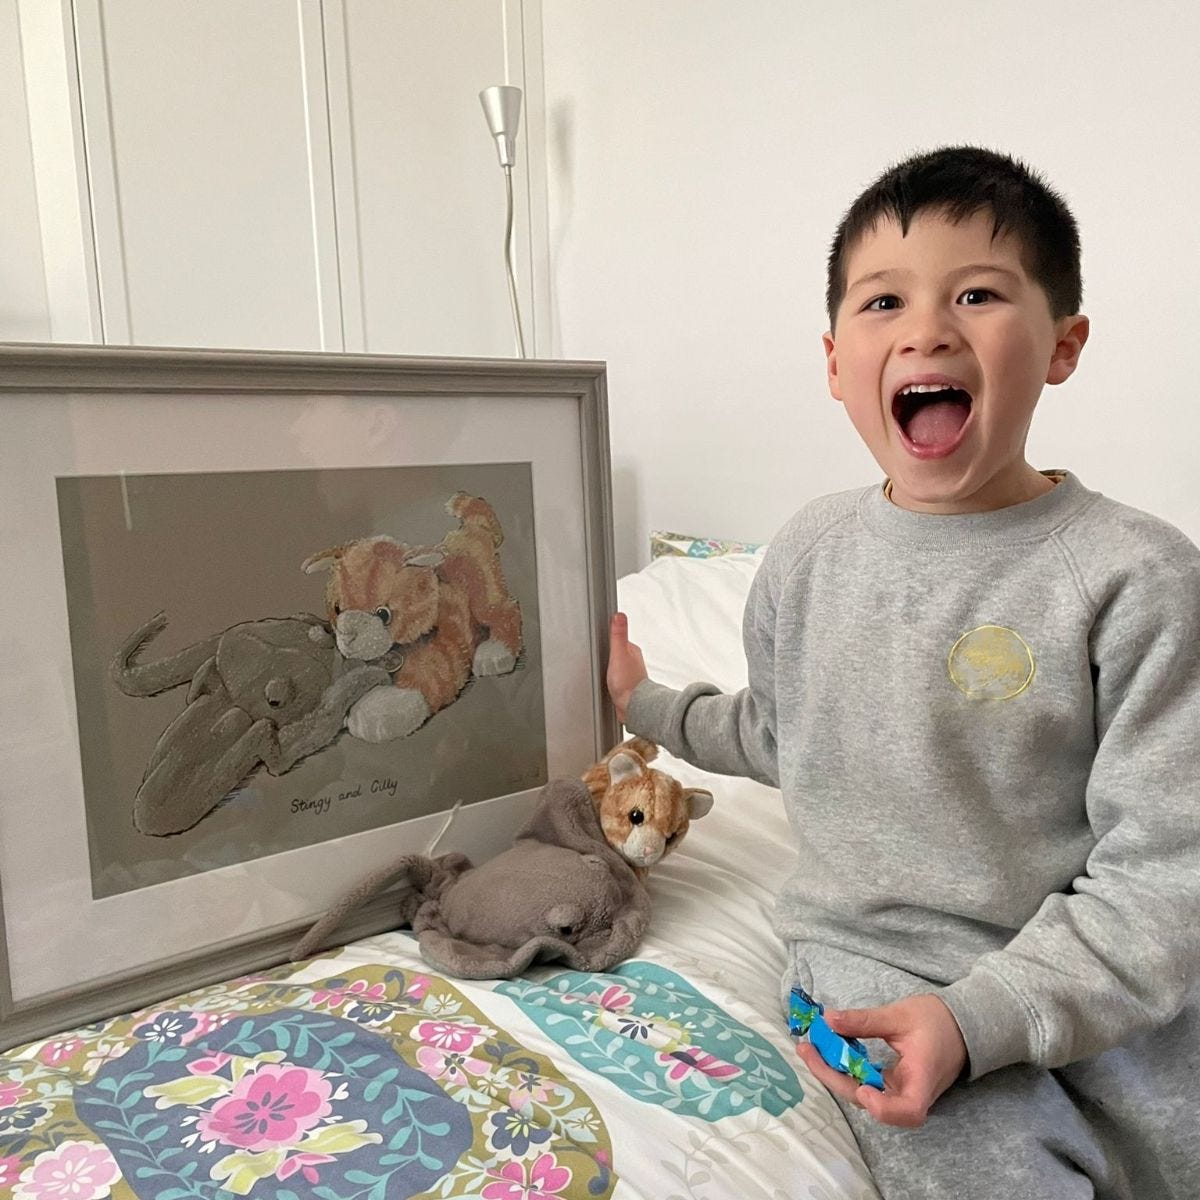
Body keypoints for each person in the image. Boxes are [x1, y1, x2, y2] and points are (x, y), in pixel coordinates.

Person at [606, 146, 1200, 1199]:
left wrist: (995, 1013)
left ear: (1063, 346)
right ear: (837, 362)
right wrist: (642, 701)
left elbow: (1169, 877)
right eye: (885, 301)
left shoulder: (1137, 576)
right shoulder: (808, 552)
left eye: (977, 293)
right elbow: (786, 736)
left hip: (1091, 964)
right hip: (876, 968)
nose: (927, 328)